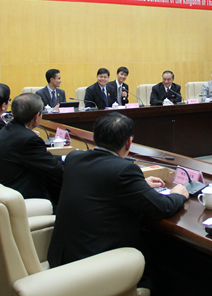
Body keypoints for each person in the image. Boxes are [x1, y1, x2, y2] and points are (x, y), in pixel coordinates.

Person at [47, 112, 188, 290]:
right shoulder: (123, 170)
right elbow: (162, 207)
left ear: (95, 137)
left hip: (63, 258)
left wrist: (139, 186)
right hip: (95, 267)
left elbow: (99, 183)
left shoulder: (74, 159)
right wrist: (178, 194)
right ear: (129, 142)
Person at [0, 93, 64, 205]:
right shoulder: (28, 139)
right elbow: (55, 169)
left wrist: (65, 158)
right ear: (36, 116)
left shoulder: (9, 128)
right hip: (23, 197)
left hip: (6, 189)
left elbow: (40, 158)